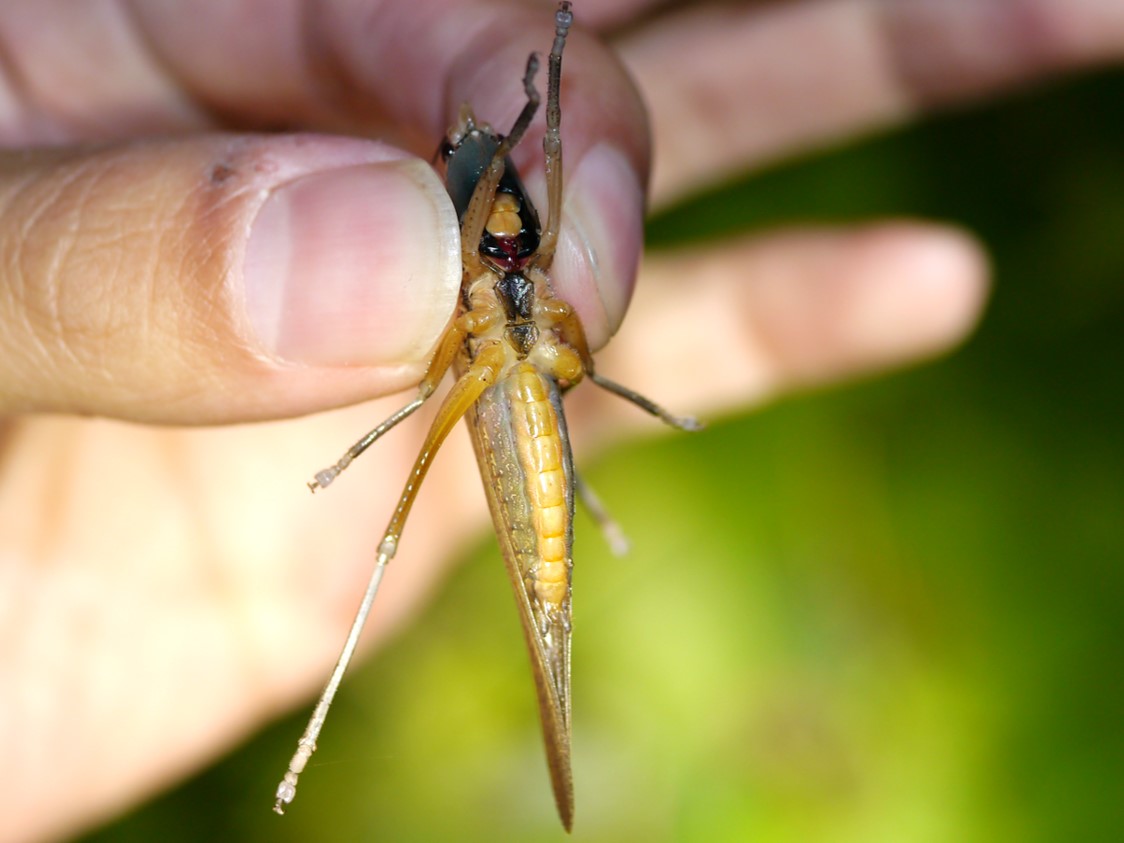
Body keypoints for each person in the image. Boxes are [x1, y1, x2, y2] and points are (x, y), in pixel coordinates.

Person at [0, 1, 1118, 839]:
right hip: (491, 391)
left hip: (524, 376)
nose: (476, 168)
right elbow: (456, 343)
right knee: (416, 491)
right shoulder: (461, 264)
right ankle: (315, 736)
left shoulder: (511, 233)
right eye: (465, 164)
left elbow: (552, 203)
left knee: (572, 352)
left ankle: (579, 505)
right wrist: (362, 436)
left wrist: (557, 71)